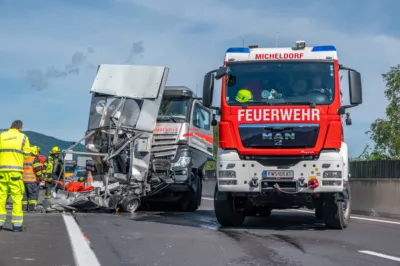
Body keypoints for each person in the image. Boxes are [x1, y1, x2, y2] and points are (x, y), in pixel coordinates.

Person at [0, 120, 31, 232]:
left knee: (1, 197)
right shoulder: (23, 137)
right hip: (15, 172)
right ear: (20, 128)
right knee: (17, 198)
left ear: (10, 126)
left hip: (2, 171)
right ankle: (17, 226)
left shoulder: (2, 136)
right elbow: (27, 155)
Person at [22, 146, 43, 212]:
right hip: (31, 180)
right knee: (32, 195)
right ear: (34, 151)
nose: (38, 154)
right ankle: (31, 209)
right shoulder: (34, 159)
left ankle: (24, 208)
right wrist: (40, 176)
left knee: (24, 195)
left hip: (23, 180)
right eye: (38, 152)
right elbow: (37, 169)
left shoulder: (23, 158)